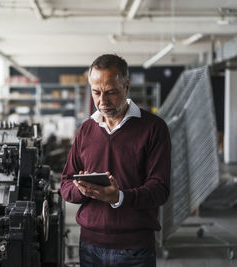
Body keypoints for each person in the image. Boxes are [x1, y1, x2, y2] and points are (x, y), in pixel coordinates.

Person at [60, 54, 171, 267]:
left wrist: (119, 197)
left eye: (111, 92)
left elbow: (160, 189)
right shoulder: (86, 130)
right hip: (90, 247)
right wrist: (82, 190)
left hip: (135, 250)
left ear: (126, 87)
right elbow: (65, 185)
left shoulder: (153, 128)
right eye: (96, 92)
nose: (102, 101)